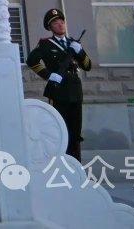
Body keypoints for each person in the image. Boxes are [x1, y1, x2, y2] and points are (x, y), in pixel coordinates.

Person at [26, 8, 91, 161]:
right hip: (58, 91)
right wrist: (48, 75)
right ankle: (60, 162)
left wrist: (80, 52)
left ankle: (76, 164)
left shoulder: (73, 43)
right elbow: (31, 61)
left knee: (75, 130)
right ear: (50, 27)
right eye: (56, 22)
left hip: (75, 91)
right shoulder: (45, 44)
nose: (60, 24)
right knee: (60, 128)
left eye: (62, 21)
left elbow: (87, 66)